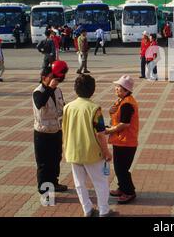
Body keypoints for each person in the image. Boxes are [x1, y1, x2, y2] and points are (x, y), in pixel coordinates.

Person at [62, 74, 114, 217]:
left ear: (75, 89)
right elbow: (100, 133)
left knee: (79, 183)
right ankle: (104, 210)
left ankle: (87, 210)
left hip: (73, 151)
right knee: (100, 182)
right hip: (92, 152)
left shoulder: (67, 107)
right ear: (93, 89)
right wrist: (106, 152)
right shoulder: (94, 109)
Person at [32, 61, 69, 195]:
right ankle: (44, 189)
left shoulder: (58, 90)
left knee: (55, 159)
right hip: (42, 133)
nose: (55, 80)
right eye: (52, 77)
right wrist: (49, 88)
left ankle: (54, 182)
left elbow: (63, 107)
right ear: (44, 78)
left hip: (56, 131)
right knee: (43, 163)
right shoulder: (38, 91)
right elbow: (40, 103)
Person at [105, 75, 139, 204]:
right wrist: (110, 111)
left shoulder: (127, 104)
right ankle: (122, 187)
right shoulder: (121, 101)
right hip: (121, 140)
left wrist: (108, 131)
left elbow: (125, 124)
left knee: (122, 168)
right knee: (119, 167)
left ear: (125, 90)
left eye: (118, 87)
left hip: (126, 142)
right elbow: (117, 118)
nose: (116, 88)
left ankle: (129, 192)